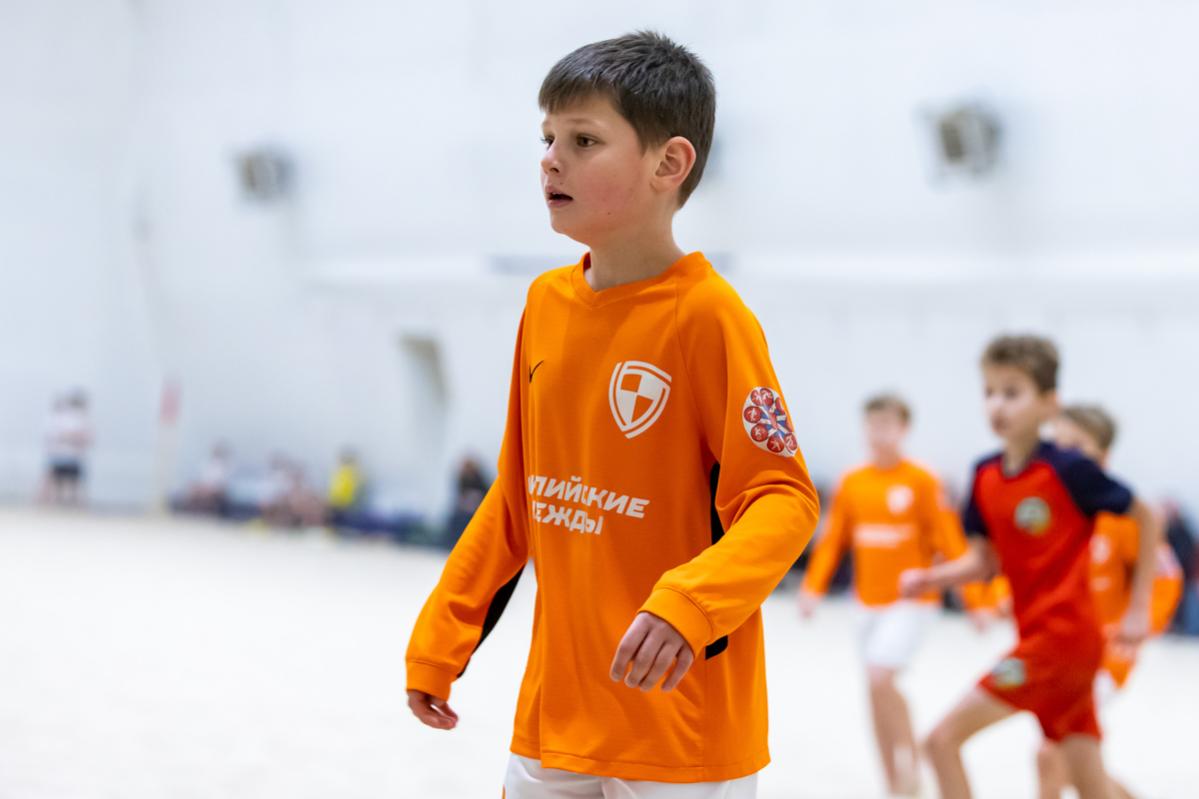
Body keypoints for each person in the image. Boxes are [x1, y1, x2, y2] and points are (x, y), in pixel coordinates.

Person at [404, 31, 821, 798]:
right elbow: (518, 494)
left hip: (679, 725)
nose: (550, 160)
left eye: (583, 140)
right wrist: (441, 635)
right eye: (546, 138)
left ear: (669, 164)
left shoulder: (709, 318)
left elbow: (783, 499)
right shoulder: (544, 303)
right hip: (556, 714)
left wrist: (691, 603)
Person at [900, 335, 1163, 799]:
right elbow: (984, 561)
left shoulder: (1068, 470)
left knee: (941, 741)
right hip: (1049, 642)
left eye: (1012, 392)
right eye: (989, 392)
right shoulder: (984, 474)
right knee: (1088, 781)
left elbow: (1147, 515)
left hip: (1057, 645)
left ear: (1048, 404)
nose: (997, 405)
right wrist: (930, 578)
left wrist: (1139, 607)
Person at [798, 393, 985, 798]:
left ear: (904, 429)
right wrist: (812, 587)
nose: (879, 432)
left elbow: (950, 542)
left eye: (888, 424)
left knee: (880, 676)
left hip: (911, 602)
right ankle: (893, 781)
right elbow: (833, 541)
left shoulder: (922, 480)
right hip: (866, 602)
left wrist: (976, 600)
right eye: (873, 424)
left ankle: (911, 759)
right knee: (874, 688)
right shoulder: (853, 481)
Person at [1033, 404, 1183, 799]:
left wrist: (1142, 622)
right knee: (1073, 762)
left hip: (1107, 651)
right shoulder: (1049, 509)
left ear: (1103, 456)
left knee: (1051, 753)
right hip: (1058, 649)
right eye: (1058, 445)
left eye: (1076, 445)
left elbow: (1166, 578)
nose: (1064, 455)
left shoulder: (1123, 513)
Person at [40, 390, 93, 506]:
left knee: (70, 484)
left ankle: (68, 504)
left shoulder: (78, 419)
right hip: (61, 455)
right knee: (59, 484)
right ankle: (54, 503)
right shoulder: (64, 419)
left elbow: (85, 438)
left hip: (71, 456)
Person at [181, 442, 233, 516]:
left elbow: (222, 483)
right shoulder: (208, 463)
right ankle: (190, 511)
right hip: (206, 486)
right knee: (193, 488)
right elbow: (203, 478)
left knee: (206, 493)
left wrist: (209, 487)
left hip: (216, 489)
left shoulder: (224, 465)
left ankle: (206, 512)